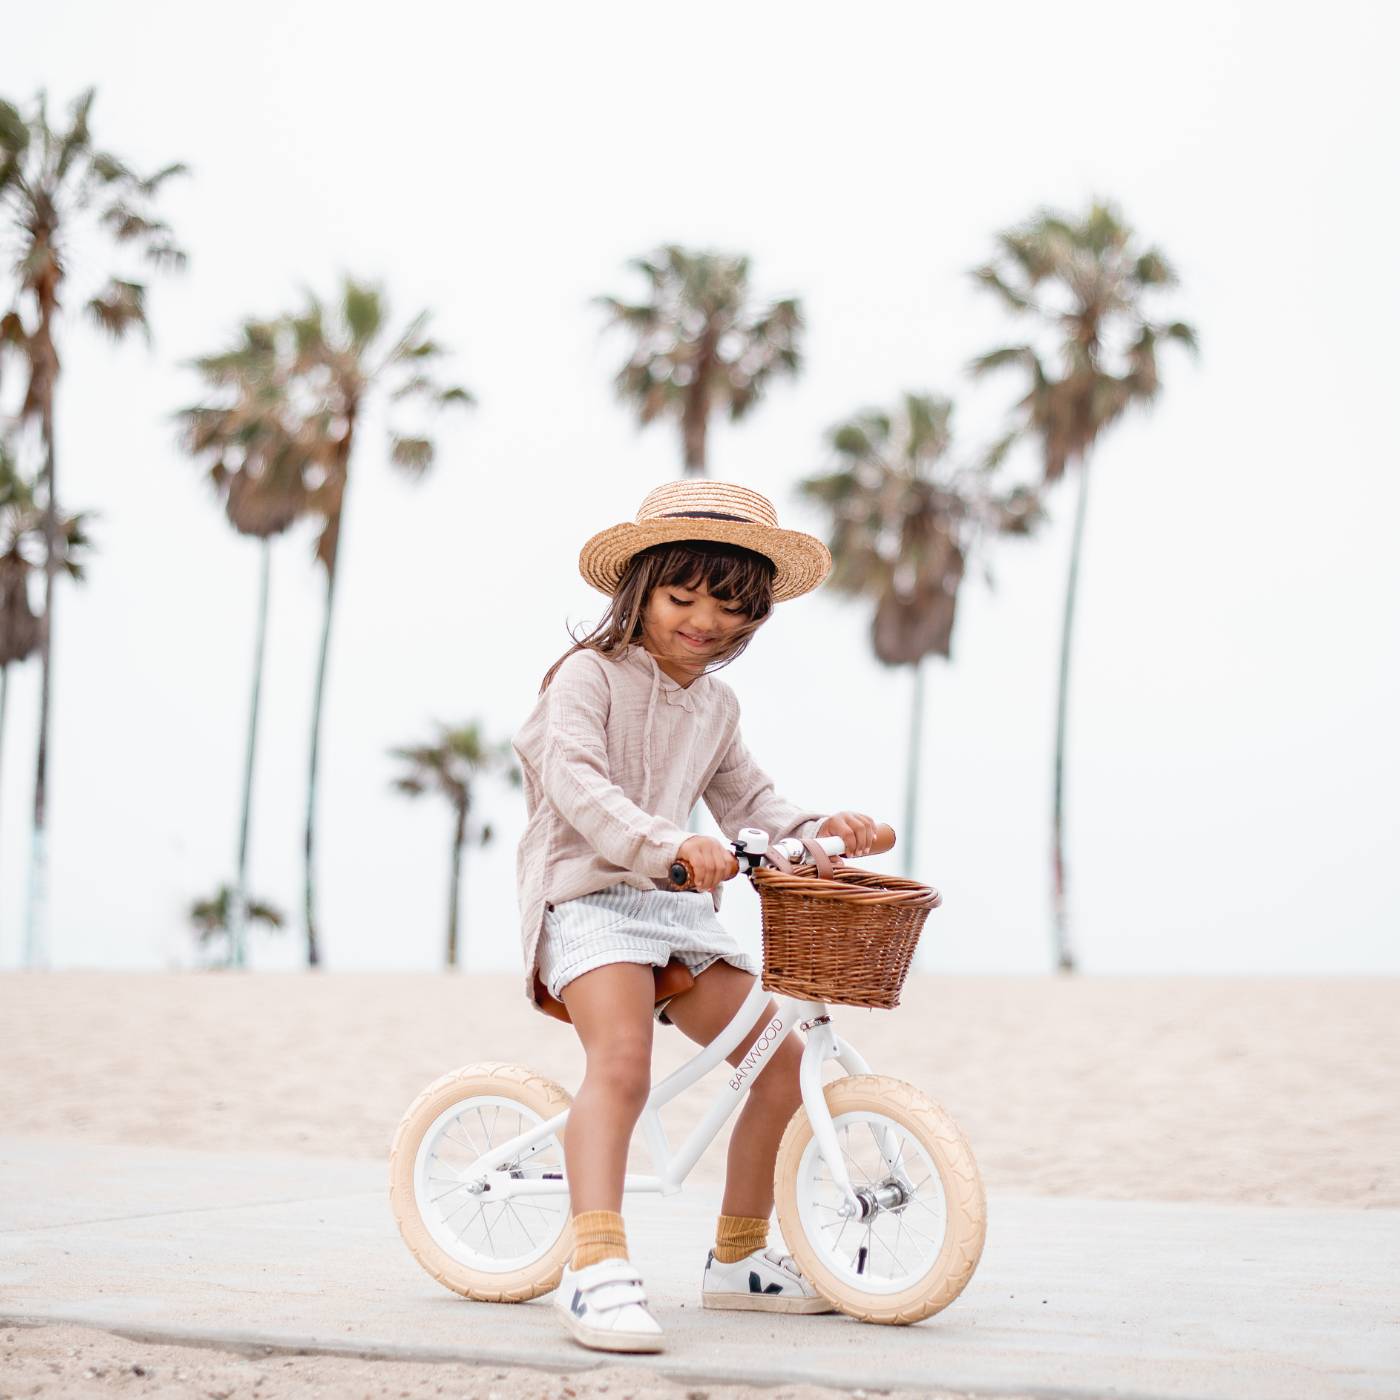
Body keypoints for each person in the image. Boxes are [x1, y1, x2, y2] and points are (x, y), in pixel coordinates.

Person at [512, 480, 882, 1353]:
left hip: (675, 913)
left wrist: (821, 830)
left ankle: (738, 1258)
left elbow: (749, 797)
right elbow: (579, 786)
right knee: (624, 1065)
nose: (703, 621)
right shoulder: (584, 677)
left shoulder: (715, 707)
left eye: (729, 609)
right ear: (637, 590)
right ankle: (595, 1267)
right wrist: (668, 844)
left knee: (783, 1066)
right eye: (682, 597)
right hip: (589, 899)